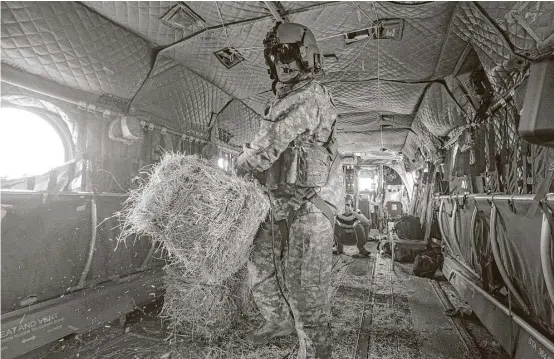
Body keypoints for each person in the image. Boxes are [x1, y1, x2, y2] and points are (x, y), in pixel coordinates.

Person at [236, 22, 343, 359]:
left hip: (309, 208)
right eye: (274, 55)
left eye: (288, 54)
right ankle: (278, 319)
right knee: (261, 263)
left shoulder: (308, 96)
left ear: (307, 57)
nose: (280, 62)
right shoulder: (287, 97)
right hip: (278, 202)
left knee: (305, 288)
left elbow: (265, 149)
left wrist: (239, 164)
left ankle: (316, 351)